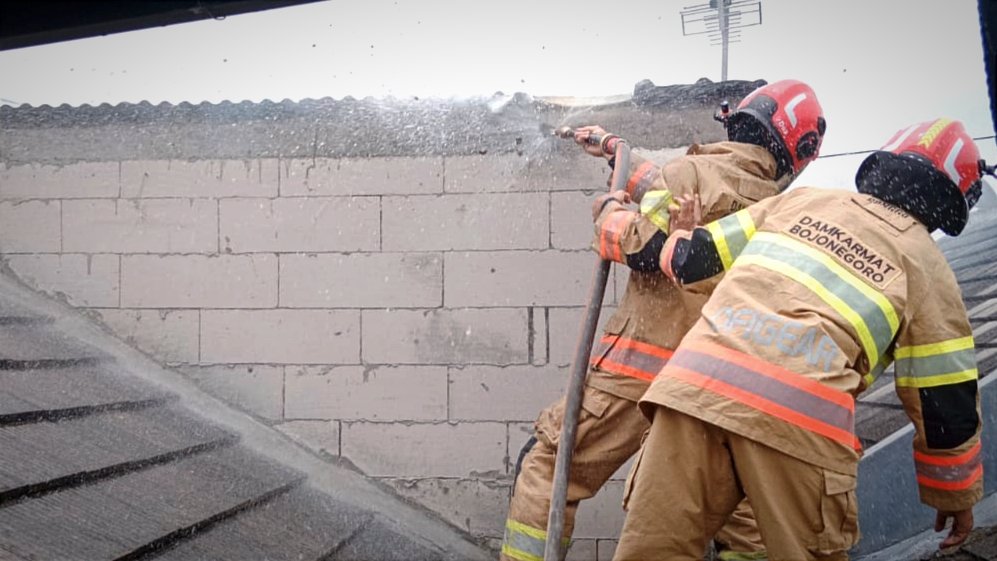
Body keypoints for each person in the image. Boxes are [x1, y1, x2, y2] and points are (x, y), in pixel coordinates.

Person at [613, 118, 987, 561]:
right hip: (797, 417)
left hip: (694, 389)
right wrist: (954, 494)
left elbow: (693, 258)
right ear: (951, 201)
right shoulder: (927, 264)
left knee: (652, 551)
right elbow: (942, 396)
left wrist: (618, 217)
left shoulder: (799, 203)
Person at [500, 79, 827, 561]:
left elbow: (648, 245)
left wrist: (609, 216)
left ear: (739, 121)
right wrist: (615, 152)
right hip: (720, 387)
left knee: (550, 465)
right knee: (739, 514)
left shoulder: (692, 173)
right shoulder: (781, 212)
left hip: (642, 367)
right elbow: (688, 196)